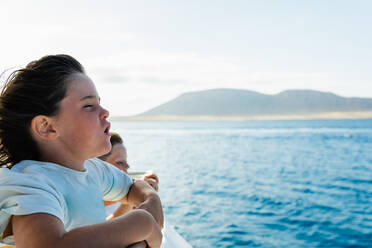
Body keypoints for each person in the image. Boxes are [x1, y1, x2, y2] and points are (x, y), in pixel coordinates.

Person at [0, 55, 163, 248]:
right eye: (88, 106)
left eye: (99, 103)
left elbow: (132, 188)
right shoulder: (34, 186)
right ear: (46, 127)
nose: (105, 112)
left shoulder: (93, 169)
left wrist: (150, 198)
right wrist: (141, 223)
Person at [99, 132, 159, 219]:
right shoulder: (91, 200)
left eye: (126, 161)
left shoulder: (121, 190)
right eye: (120, 162)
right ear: (98, 166)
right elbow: (102, 231)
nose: (128, 166)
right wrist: (130, 200)